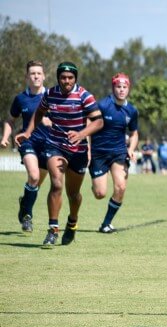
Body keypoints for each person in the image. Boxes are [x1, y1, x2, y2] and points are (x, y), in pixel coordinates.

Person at [15, 61, 103, 247]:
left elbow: (98, 122)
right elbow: (39, 112)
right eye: (63, 77)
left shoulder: (84, 96)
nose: (66, 81)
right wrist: (28, 132)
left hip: (78, 150)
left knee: (74, 194)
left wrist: (81, 134)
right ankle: (53, 229)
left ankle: (72, 221)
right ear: (58, 78)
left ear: (75, 79)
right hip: (55, 145)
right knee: (56, 184)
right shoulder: (50, 94)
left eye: (70, 78)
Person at [1, 60, 51, 233]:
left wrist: (50, 121)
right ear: (27, 77)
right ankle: (27, 216)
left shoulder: (52, 96)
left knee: (35, 184)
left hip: (48, 145)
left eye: (39, 73)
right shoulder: (20, 99)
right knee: (34, 176)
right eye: (32, 73)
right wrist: (5, 137)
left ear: (44, 76)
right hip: (27, 142)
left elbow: (63, 120)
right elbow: (10, 120)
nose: (36, 76)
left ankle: (25, 203)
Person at [89, 73, 139, 233]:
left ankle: (106, 224)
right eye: (119, 86)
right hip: (99, 153)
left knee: (121, 187)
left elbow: (134, 134)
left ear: (128, 88)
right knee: (100, 193)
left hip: (119, 153)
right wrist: (87, 149)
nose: (122, 90)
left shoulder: (131, 110)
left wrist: (131, 150)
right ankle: (96, 183)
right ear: (113, 87)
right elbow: (88, 125)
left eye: (125, 87)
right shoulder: (102, 105)